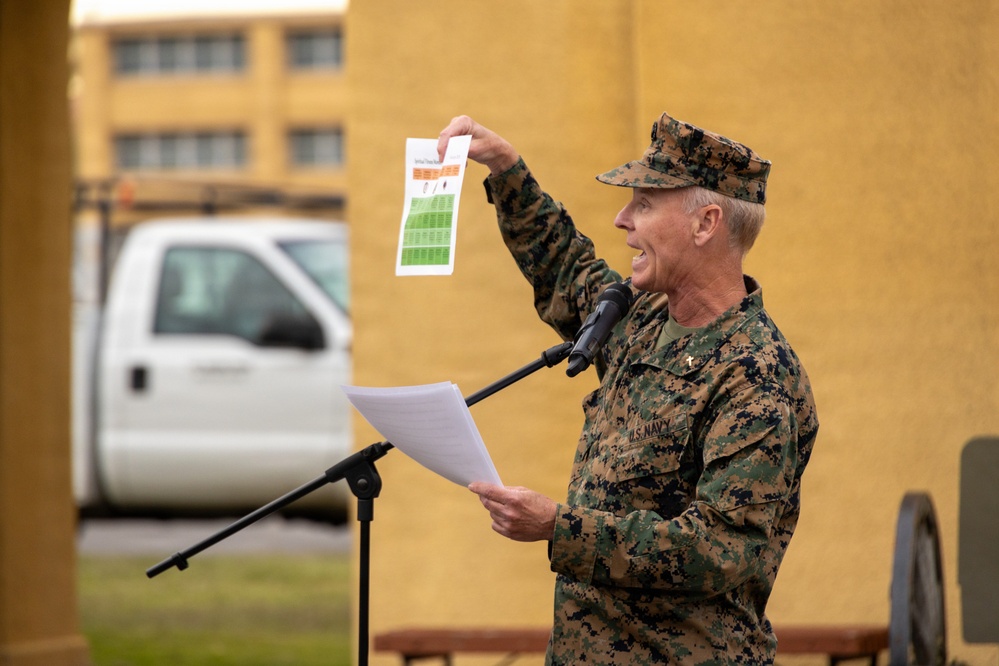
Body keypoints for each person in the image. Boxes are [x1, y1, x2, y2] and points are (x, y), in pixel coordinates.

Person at [437, 111, 819, 665]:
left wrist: (559, 527)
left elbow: (718, 549)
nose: (622, 220)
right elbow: (564, 268)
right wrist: (505, 168)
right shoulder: (640, 320)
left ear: (706, 224)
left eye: (644, 204)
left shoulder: (756, 376)